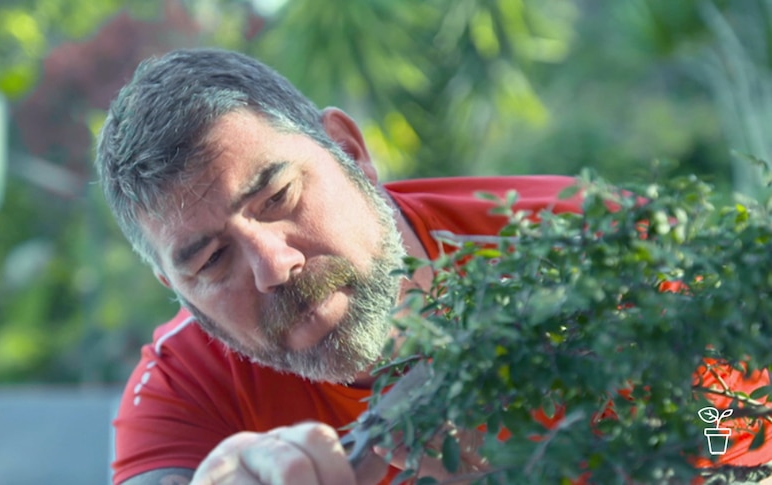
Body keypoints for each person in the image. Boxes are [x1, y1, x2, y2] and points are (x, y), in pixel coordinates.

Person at [95, 47, 772, 485]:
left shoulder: (608, 243)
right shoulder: (184, 391)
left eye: (279, 196)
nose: (274, 264)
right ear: (177, 292)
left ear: (351, 152)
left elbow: (753, 449)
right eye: (211, 260)